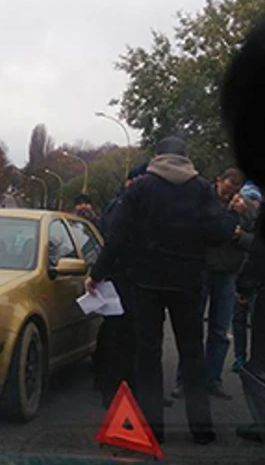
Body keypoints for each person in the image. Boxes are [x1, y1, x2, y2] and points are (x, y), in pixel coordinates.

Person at [85, 136, 238, 445]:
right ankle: (202, 430)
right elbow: (220, 232)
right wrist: (222, 221)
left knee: (148, 356)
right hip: (188, 282)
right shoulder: (201, 189)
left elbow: (118, 235)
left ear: (157, 157)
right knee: (192, 354)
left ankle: (154, 429)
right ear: (186, 157)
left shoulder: (141, 189)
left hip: (146, 283)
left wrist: (97, 274)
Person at [172, 167, 248, 401]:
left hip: (228, 272)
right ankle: (186, 380)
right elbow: (203, 230)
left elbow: (252, 239)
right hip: (202, 268)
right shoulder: (203, 201)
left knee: (219, 330)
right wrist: (228, 223)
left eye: (236, 189)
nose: (230, 193)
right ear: (219, 181)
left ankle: (212, 379)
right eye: (228, 186)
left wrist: (240, 224)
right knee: (192, 327)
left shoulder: (245, 208)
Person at [91, 163, 148, 408]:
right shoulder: (124, 207)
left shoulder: (127, 205)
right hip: (123, 281)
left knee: (123, 337)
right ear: (131, 181)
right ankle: (116, 392)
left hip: (125, 279)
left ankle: (117, 390)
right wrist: (97, 274)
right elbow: (112, 244)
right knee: (122, 338)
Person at [231, 184, 263, 372]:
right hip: (239, 277)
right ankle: (240, 357)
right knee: (239, 320)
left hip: (257, 280)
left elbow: (258, 248)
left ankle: (255, 361)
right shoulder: (235, 218)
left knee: (257, 323)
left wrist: (241, 237)